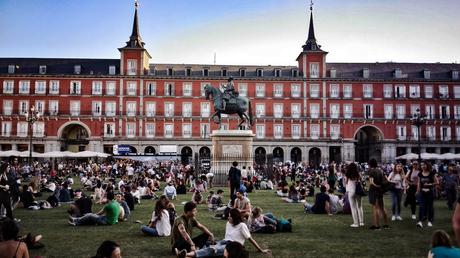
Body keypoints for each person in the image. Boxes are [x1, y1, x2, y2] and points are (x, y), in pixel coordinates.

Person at [176, 208, 270, 258]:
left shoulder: (242, 226)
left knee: (213, 250)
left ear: (235, 217)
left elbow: (250, 239)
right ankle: (190, 254)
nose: (228, 218)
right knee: (208, 244)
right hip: (225, 241)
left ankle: (187, 254)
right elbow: (226, 238)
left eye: (230, 216)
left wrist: (260, 249)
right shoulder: (228, 223)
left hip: (234, 246)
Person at [368, 158, 390, 230]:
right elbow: (386, 179)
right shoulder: (380, 170)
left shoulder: (372, 171)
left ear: (370, 164)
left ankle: (376, 225)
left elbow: (371, 182)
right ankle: (386, 224)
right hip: (380, 190)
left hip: (374, 190)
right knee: (382, 207)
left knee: (375, 208)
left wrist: (375, 185)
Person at [416, 162, 439, 228]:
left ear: (427, 165)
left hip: (430, 192)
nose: (423, 166)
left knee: (430, 207)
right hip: (422, 192)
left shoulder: (431, 173)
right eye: (421, 165)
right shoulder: (420, 174)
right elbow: (419, 183)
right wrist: (417, 191)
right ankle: (420, 221)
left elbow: (437, 182)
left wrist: (430, 184)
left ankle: (429, 221)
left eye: (424, 165)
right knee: (421, 206)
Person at [345, 162, 364, 227]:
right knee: (359, 206)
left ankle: (356, 223)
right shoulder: (357, 174)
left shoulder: (348, 174)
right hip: (358, 191)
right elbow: (360, 181)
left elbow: (346, 183)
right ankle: (361, 222)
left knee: (353, 208)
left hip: (351, 191)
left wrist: (346, 190)